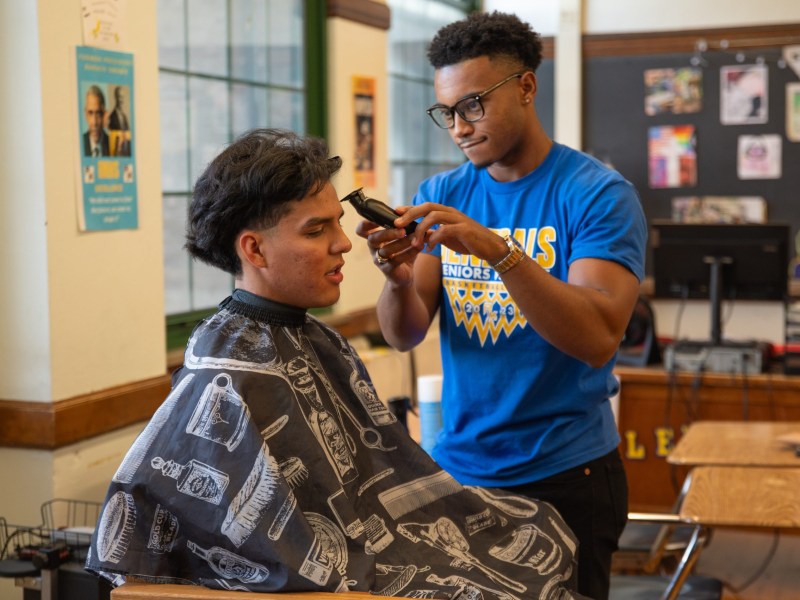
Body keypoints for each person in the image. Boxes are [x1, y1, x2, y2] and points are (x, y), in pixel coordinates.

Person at [85, 128, 586, 599]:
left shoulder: (314, 335)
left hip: (394, 536)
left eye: (339, 224)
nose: (344, 243)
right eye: (316, 230)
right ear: (254, 248)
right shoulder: (225, 368)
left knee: (542, 532)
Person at [355, 12, 647, 600]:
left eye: (473, 106)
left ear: (526, 87)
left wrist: (496, 250)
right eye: (446, 112)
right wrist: (395, 279)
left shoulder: (597, 195)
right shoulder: (442, 194)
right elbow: (405, 334)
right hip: (462, 468)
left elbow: (597, 338)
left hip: (568, 473)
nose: (459, 128)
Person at [83, 85, 110, 157]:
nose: (94, 122)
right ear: (85, 115)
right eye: (90, 113)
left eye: (98, 113)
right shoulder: (79, 143)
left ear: (104, 114)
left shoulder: (113, 145)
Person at [108, 85, 131, 156]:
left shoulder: (125, 117)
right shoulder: (112, 117)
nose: (122, 100)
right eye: (120, 97)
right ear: (116, 97)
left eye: (123, 97)